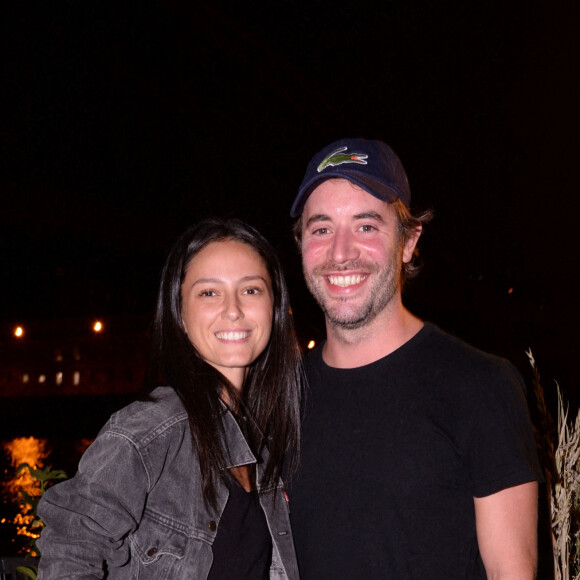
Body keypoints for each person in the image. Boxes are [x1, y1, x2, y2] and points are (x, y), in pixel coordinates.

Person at [288, 138, 543, 579]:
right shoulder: (279, 396)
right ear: (301, 244)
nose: (341, 252)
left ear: (408, 242)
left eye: (366, 226)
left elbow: (512, 572)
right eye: (321, 228)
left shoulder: (481, 386)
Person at [37, 218, 302, 579]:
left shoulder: (266, 444)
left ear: (274, 307)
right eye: (209, 292)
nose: (233, 309)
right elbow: (70, 547)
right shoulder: (151, 430)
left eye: (251, 290)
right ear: (179, 313)